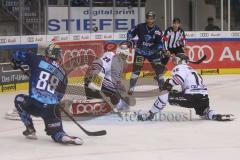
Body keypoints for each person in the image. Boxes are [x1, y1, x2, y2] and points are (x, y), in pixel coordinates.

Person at [11, 44, 83, 145]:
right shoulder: (63, 75)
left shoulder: (37, 59)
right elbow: (59, 97)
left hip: (34, 104)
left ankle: (30, 128)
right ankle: (62, 136)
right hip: (52, 108)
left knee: (18, 99)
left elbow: (17, 54)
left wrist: (16, 62)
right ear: (59, 56)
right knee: (56, 133)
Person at [137, 53, 233, 121]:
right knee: (204, 112)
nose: (175, 61)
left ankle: (148, 115)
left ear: (181, 61)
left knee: (164, 92)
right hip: (203, 98)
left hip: (191, 98)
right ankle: (214, 115)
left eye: (177, 59)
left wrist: (167, 84)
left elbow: (179, 79)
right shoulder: (193, 70)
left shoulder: (180, 67)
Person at [84, 42, 133, 111]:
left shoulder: (107, 57)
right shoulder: (112, 56)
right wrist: (95, 81)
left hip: (89, 82)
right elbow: (99, 66)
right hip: (95, 82)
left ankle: (93, 101)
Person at [127, 11, 166, 94]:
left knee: (159, 69)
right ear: (146, 18)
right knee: (136, 69)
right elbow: (130, 32)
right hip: (140, 52)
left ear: (154, 19)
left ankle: (162, 87)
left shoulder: (158, 31)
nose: (149, 19)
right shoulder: (140, 26)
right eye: (148, 17)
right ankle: (131, 88)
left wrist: (160, 49)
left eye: (151, 18)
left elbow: (160, 43)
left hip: (153, 53)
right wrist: (129, 40)